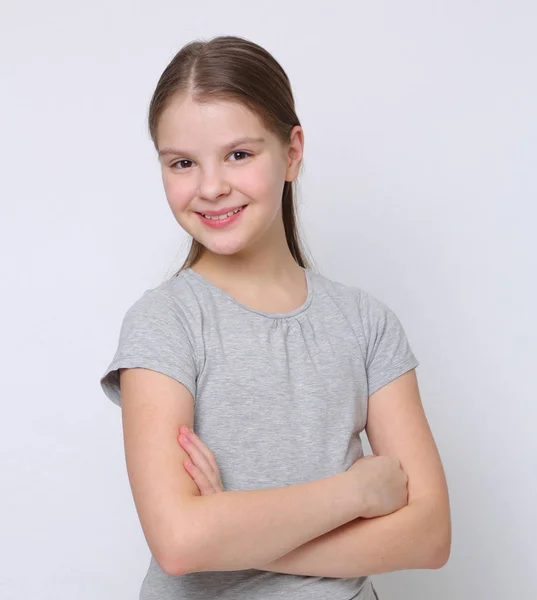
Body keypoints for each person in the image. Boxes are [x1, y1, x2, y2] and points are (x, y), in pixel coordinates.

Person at [99, 35, 451, 600]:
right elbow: (180, 542)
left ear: (291, 152)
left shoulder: (366, 323)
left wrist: (231, 532)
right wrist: (356, 494)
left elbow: (431, 536)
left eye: (239, 154)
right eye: (183, 163)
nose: (211, 186)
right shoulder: (165, 322)